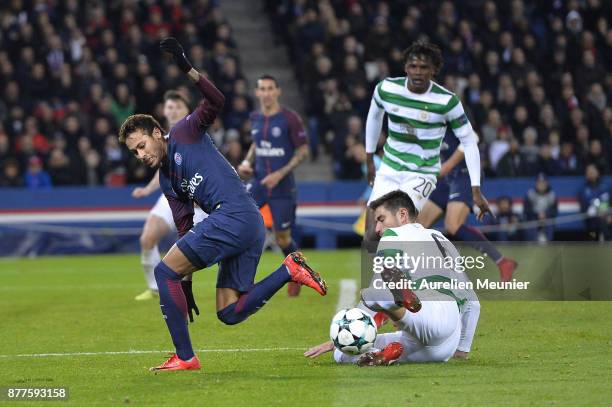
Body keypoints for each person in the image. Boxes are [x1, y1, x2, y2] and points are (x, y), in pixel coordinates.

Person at [119, 38, 328, 372]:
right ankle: (289, 269)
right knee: (229, 312)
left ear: (158, 133)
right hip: (246, 224)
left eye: (142, 145)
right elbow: (185, 228)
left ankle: (185, 357)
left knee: (162, 271)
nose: (141, 155)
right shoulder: (166, 180)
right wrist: (183, 283)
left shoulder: (185, 132)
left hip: (235, 214)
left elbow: (216, 99)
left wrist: (186, 67)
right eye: (134, 153)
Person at [305, 191, 480, 365]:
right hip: (444, 342)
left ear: (402, 214)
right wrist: (462, 350)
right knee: (341, 352)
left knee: (371, 295)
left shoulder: (394, 235)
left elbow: (378, 292)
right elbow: (472, 303)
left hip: (425, 312)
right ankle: (384, 352)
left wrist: (345, 334)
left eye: (381, 219)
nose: (378, 229)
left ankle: (398, 305)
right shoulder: (442, 239)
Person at [364, 41, 491, 243]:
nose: (418, 72)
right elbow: (374, 118)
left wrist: (476, 189)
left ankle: (409, 271)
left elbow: (469, 140)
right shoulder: (386, 89)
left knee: (397, 231)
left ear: (434, 70)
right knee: (372, 233)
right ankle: (386, 273)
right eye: (413, 66)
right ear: (406, 67)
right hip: (390, 167)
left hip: (421, 173)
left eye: (424, 68)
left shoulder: (447, 102)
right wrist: (370, 159)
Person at [131, 90, 208, 302]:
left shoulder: (196, 135)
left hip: (195, 198)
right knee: (147, 238)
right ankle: (155, 288)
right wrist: (147, 189)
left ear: (187, 111)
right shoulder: (162, 139)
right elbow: (163, 170)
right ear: (164, 111)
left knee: (186, 254)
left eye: (178, 107)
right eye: (170, 107)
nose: (173, 111)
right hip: (170, 195)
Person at [238, 75, 309, 296]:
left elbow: (303, 151)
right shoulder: (256, 117)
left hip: (282, 187)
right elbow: (256, 143)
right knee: (239, 220)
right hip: (258, 183)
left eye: (270, 88)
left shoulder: (289, 118)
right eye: (262, 89)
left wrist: (279, 174)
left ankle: (299, 272)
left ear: (278, 91)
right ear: (257, 93)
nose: (267, 93)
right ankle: (239, 281)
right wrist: (247, 161)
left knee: (282, 238)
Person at [417, 132, 518, 282]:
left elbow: (473, 137)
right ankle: (435, 275)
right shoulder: (424, 125)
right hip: (448, 177)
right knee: (417, 227)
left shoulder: (448, 113)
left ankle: (502, 261)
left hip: (465, 174)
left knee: (452, 225)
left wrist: (475, 189)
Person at [578, 164, 610, 241]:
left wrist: (606, 213)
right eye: (589, 172)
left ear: (597, 172)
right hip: (591, 220)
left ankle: (608, 241)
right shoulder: (583, 190)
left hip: (606, 216)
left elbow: (607, 201)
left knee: (605, 224)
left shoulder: (605, 186)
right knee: (592, 234)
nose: (591, 173)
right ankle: (593, 241)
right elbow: (584, 206)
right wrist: (594, 210)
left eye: (592, 171)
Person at [523, 173, 558, 242]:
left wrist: (546, 214)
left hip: (547, 219)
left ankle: (547, 243)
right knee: (531, 225)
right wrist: (537, 215)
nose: (541, 185)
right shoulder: (530, 194)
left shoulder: (552, 194)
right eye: (539, 182)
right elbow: (526, 210)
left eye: (543, 182)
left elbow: (554, 210)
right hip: (533, 218)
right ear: (536, 183)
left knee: (550, 224)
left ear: (547, 183)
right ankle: (534, 243)